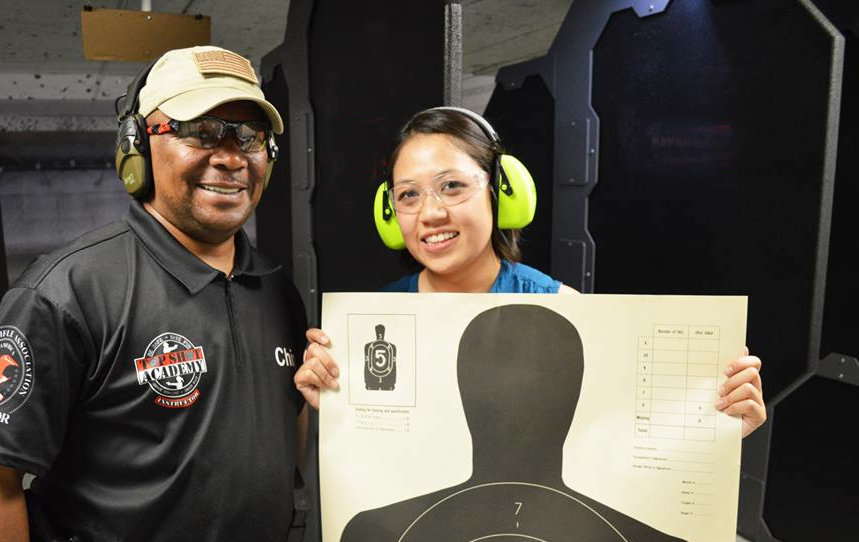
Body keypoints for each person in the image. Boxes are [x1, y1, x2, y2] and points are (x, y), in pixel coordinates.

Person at [0, 46, 308, 542]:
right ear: (138, 147)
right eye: (201, 131)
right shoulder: (68, 291)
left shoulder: (272, 285)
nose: (230, 155)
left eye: (250, 136)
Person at [294, 107, 766, 437]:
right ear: (390, 213)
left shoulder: (565, 312)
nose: (429, 213)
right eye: (408, 195)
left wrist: (719, 426)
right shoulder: (371, 323)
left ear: (503, 193)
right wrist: (331, 404)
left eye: (452, 186)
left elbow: (625, 432)